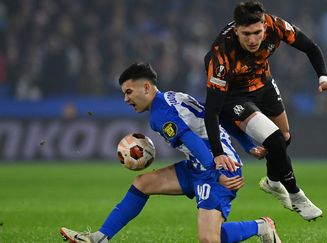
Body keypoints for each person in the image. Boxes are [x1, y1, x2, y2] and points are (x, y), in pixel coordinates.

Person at [60, 63, 281, 243]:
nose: (126, 99)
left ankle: (262, 226)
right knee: (143, 183)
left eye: (129, 92)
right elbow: (216, 116)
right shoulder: (175, 97)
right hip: (199, 164)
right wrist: (247, 143)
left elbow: (192, 140)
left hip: (217, 167)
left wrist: (217, 172)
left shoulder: (160, 114)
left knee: (209, 238)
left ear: (146, 88)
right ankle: (99, 238)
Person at [203, 0, 327, 221]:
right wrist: (218, 153)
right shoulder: (220, 56)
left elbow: (311, 47)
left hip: (264, 84)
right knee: (276, 141)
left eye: (257, 32)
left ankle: (271, 181)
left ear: (264, 27)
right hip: (235, 95)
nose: (252, 39)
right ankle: (297, 196)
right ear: (236, 30)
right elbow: (211, 111)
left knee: (284, 138)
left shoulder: (276, 25)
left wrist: (323, 77)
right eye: (246, 34)